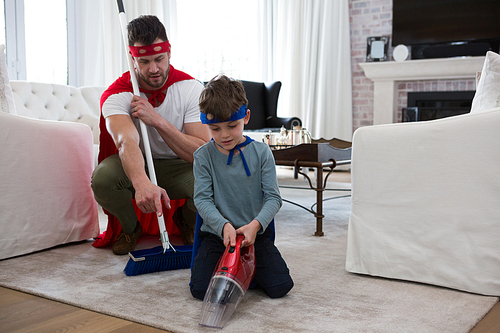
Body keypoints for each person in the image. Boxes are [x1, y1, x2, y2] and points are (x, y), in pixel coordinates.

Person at [91, 15, 211, 255]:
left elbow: (201, 152)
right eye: (144, 61)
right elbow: (125, 142)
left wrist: (157, 121)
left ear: (169, 54)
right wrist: (141, 182)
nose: (154, 69)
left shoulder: (191, 88)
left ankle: (186, 220)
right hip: (138, 162)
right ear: (132, 59)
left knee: (215, 180)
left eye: (159, 59)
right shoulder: (117, 95)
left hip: (180, 165)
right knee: (103, 180)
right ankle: (130, 227)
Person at [190, 74, 294, 300]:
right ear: (206, 124)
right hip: (218, 236)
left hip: (255, 235)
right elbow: (203, 200)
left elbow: (274, 199)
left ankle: (247, 268)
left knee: (280, 287)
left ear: (246, 117)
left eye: (232, 126)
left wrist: (255, 226)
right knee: (199, 290)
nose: (224, 135)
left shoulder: (262, 152)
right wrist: (223, 226)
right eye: (215, 129)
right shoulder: (203, 157)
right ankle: (239, 268)